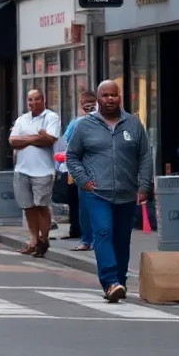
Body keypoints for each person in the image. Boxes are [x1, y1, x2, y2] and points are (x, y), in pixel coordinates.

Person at [65, 80, 153, 303]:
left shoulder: (133, 124)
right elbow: (72, 156)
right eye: (105, 95)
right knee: (103, 233)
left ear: (120, 97)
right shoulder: (85, 126)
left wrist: (144, 186)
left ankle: (119, 280)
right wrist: (84, 181)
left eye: (114, 95)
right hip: (97, 193)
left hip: (126, 192)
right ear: (98, 98)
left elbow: (144, 156)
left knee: (122, 239)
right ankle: (110, 281)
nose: (110, 99)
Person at [9, 89, 61, 257]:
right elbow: (12, 141)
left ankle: (43, 239)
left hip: (43, 171)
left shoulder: (51, 117)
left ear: (43, 100)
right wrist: (36, 138)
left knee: (41, 206)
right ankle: (33, 241)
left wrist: (25, 139)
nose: (32, 102)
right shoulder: (22, 119)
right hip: (22, 169)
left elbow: (50, 140)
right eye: (30, 99)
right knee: (28, 207)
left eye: (36, 99)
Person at [63, 91, 97, 251]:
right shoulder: (76, 123)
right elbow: (66, 145)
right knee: (85, 207)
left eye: (91, 102)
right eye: (85, 102)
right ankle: (87, 239)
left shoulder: (103, 121)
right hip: (83, 172)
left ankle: (93, 240)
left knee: (97, 207)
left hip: (101, 171)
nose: (88, 105)